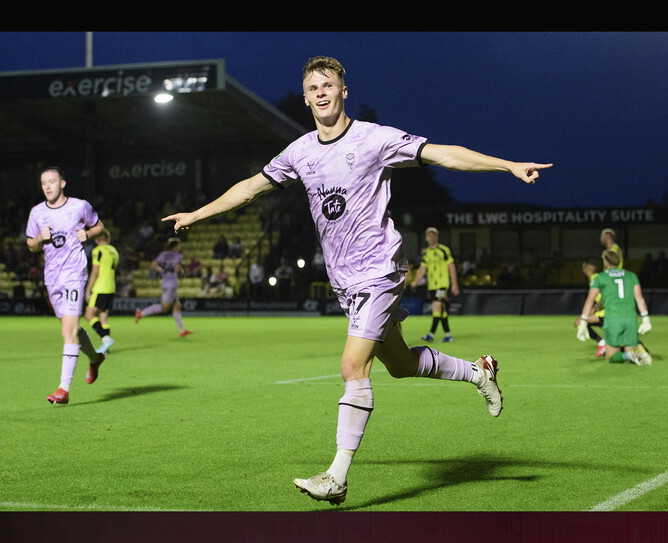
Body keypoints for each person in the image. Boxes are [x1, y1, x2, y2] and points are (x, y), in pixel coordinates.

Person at [162, 56, 552, 505]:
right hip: (345, 281)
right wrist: (196, 213)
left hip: (380, 270)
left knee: (353, 367)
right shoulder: (300, 151)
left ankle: (337, 476)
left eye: (328, 84)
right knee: (401, 365)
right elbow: (250, 187)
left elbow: (444, 154)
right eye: (313, 88)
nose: (321, 93)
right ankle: (479, 372)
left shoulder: (374, 139)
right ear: (306, 97)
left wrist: (506, 165)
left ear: (344, 91)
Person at [25, 166, 107, 405]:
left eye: (52, 181)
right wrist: (40, 239)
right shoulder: (37, 212)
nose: (48, 186)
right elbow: (30, 244)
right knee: (72, 329)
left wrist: (88, 234)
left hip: (74, 273)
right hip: (52, 277)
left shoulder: (79, 206)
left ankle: (63, 389)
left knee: (67, 332)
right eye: (43, 183)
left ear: (63, 183)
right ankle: (95, 358)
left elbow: (99, 226)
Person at [576, 250, 653, 366]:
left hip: (612, 319)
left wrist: (583, 322)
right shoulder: (631, 276)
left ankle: (629, 354)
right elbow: (639, 299)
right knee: (631, 353)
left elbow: (589, 301)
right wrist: (646, 319)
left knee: (612, 357)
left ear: (605, 262)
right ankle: (636, 352)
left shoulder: (600, 277)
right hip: (630, 319)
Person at [134, 238, 193, 337]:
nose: (180, 247)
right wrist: (183, 272)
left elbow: (153, 264)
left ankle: (182, 330)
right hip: (171, 284)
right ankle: (141, 314)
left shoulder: (163, 254)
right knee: (164, 308)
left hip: (165, 282)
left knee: (177, 305)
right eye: (179, 245)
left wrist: (161, 271)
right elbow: (178, 269)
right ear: (175, 247)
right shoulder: (177, 256)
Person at [410, 227, 460, 343]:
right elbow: (422, 269)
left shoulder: (444, 250)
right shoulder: (427, 253)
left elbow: (451, 266)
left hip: (442, 284)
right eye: (429, 235)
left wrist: (454, 283)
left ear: (437, 237)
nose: (431, 237)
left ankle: (431, 334)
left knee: (436, 306)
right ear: (426, 238)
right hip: (432, 285)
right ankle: (448, 335)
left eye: (433, 235)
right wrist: (415, 282)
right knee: (441, 310)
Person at [85, 228, 120, 354]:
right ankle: (106, 348)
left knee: (89, 315)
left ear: (96, 239)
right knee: (103, 316)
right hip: (111, 287)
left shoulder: (98, 250)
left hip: (100, 287)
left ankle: (106, 340)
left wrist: (88, 289)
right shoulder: (114, 251)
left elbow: (95, 272)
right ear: (108, 239)